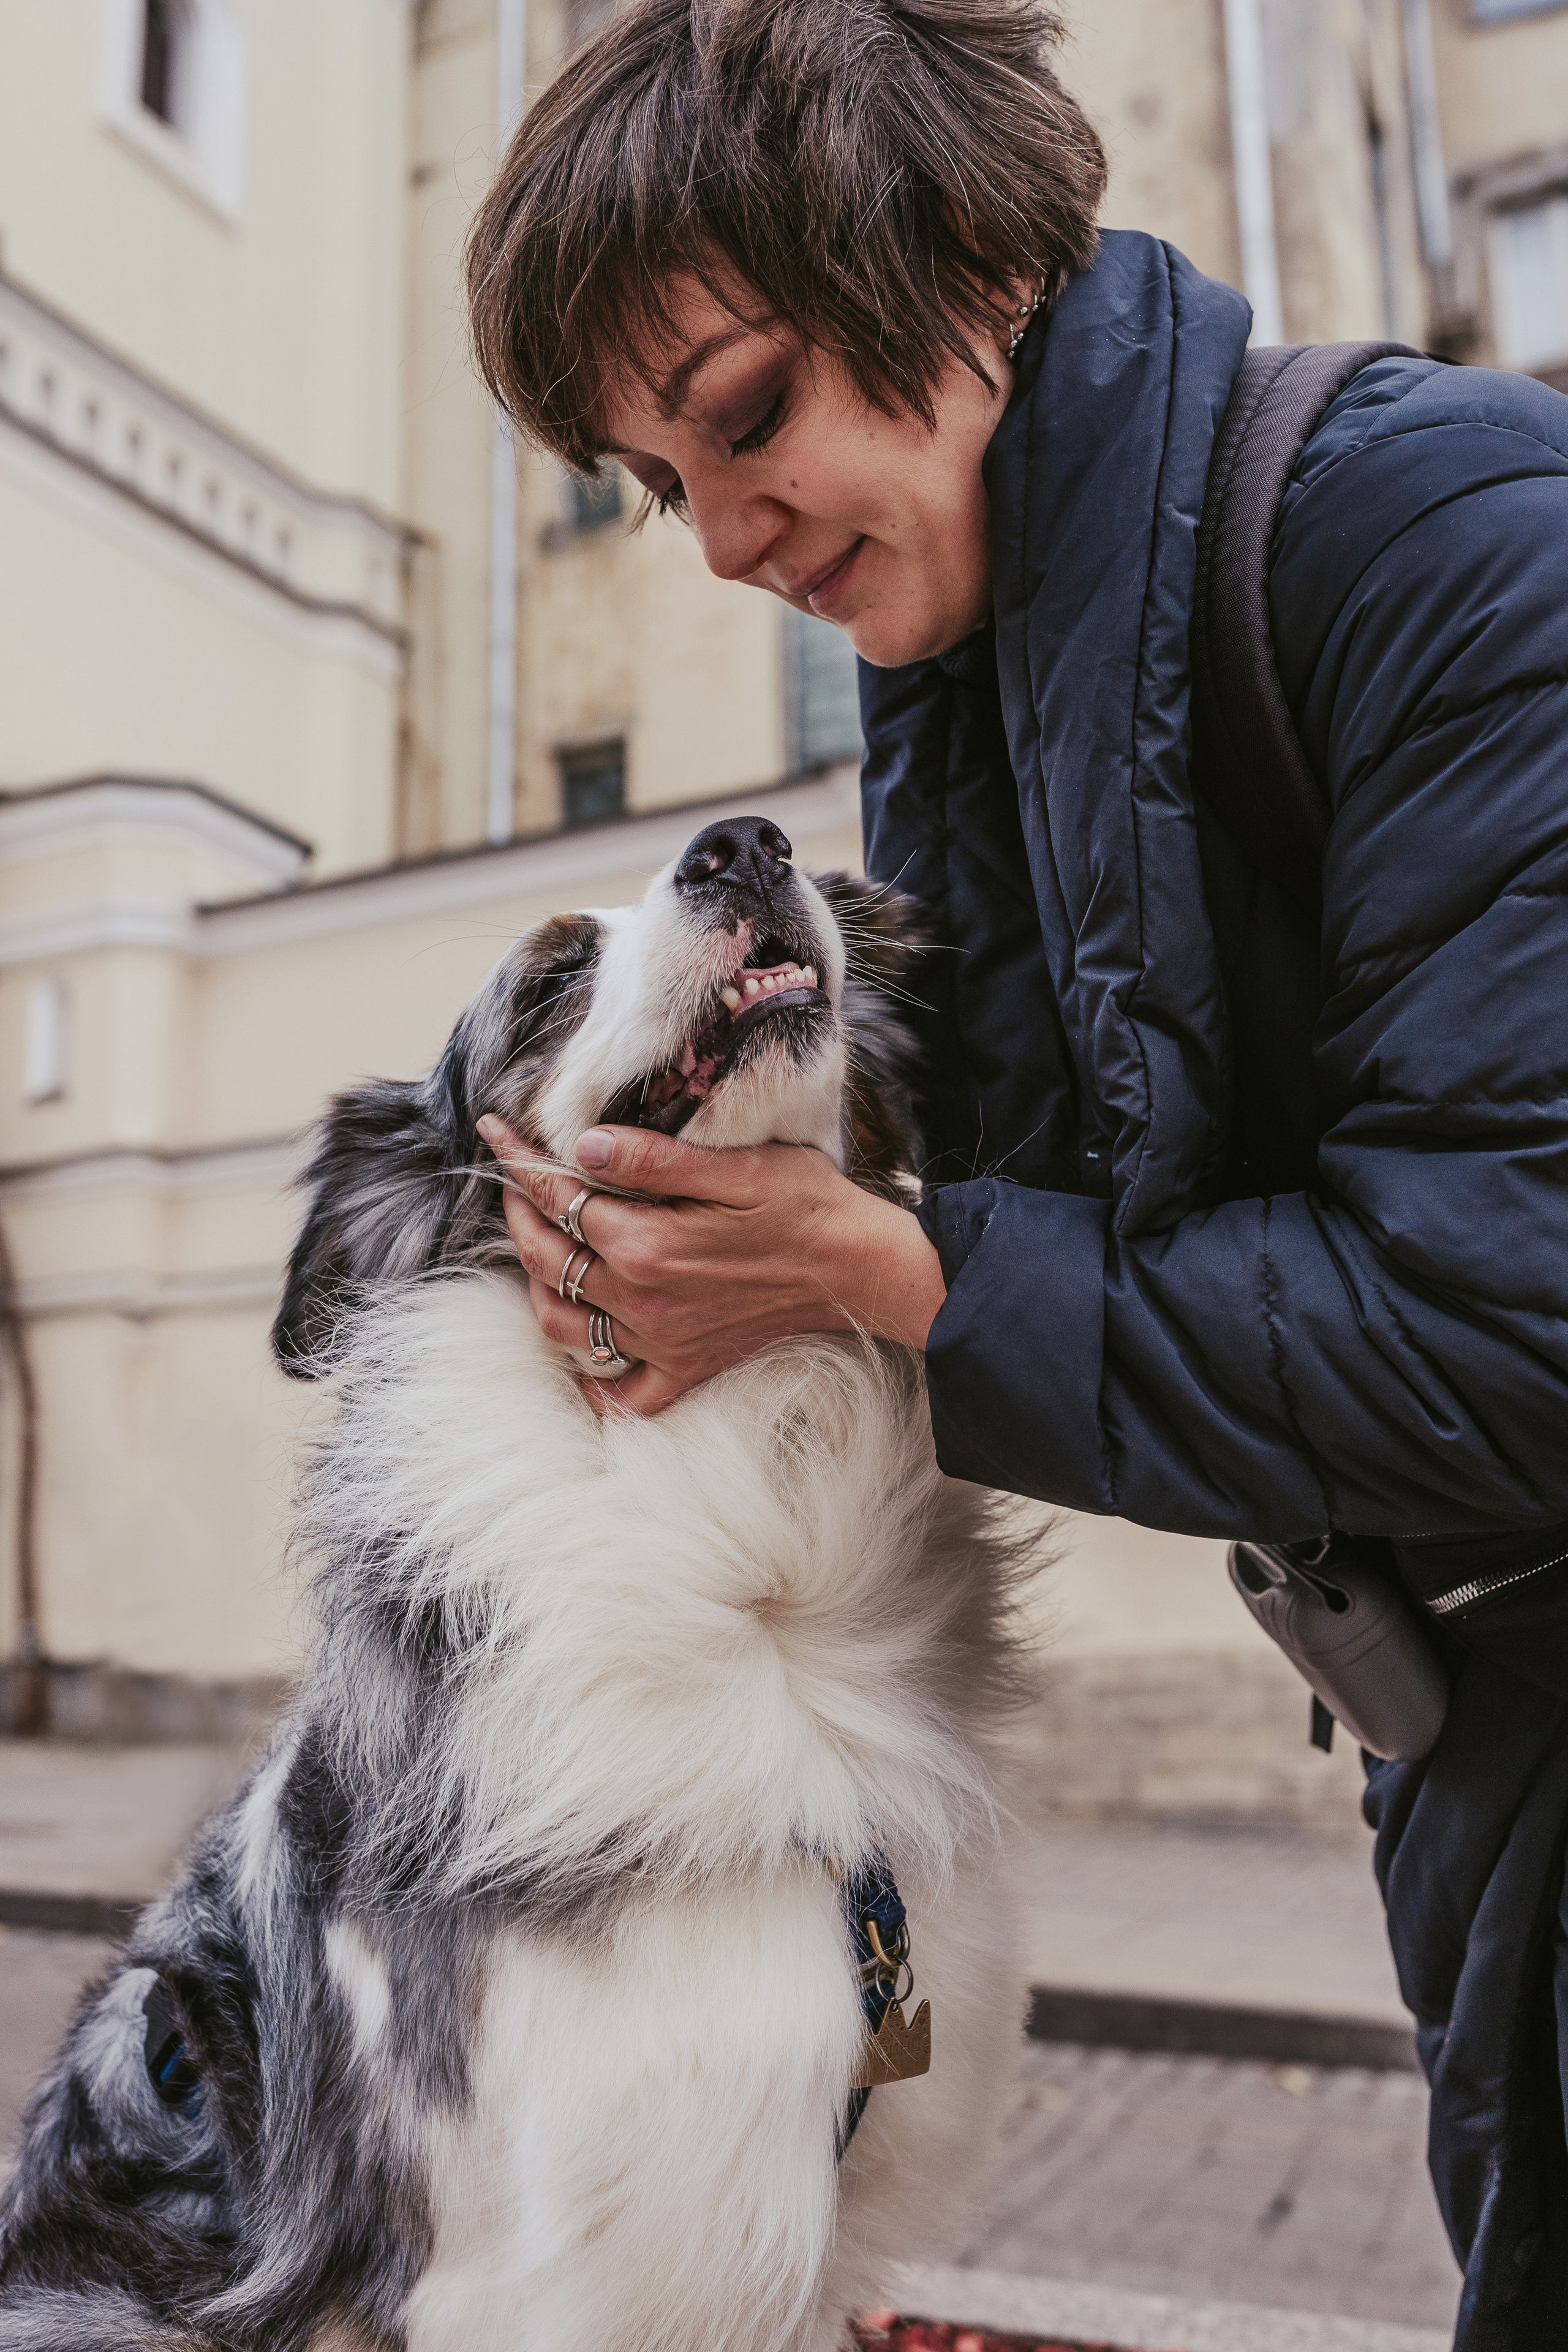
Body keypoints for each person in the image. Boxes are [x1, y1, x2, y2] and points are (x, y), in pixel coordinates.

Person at [462, 0, 1568, 2339]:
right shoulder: (1002, 695)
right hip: (1468, 1738)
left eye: (748, 411)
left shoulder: (1449, 535)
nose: (728, 543)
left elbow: (1512, 1330)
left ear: (962, 253)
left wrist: (876, 1271)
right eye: (664, 483)